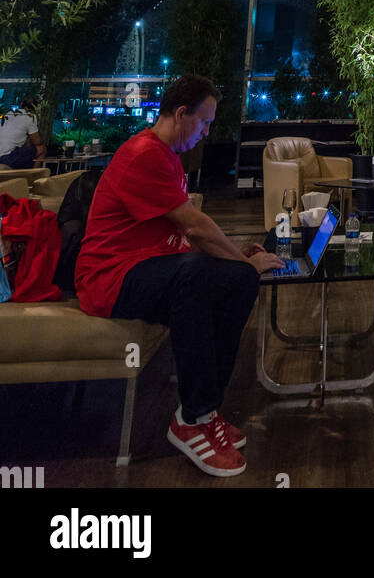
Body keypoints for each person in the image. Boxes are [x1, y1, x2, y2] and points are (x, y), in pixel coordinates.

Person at [75, 73, 282, 477]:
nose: (206, 133)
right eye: (204, 123)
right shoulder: (144, 153)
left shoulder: (168, 157)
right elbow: (195, 227)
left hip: (144, 270)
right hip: (110, 278)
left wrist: (238, 262)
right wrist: (240, 261)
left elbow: (184, 237)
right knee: (200, 275)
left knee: (237, 280)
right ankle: (192, 420)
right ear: (181, 113)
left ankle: (203, 412)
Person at [0, 97, 46, 170]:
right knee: (42, 149)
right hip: (8, 157)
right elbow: (37, 142)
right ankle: (34, 176)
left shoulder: (9, 114)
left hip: (2, 154)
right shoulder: (30, 117)